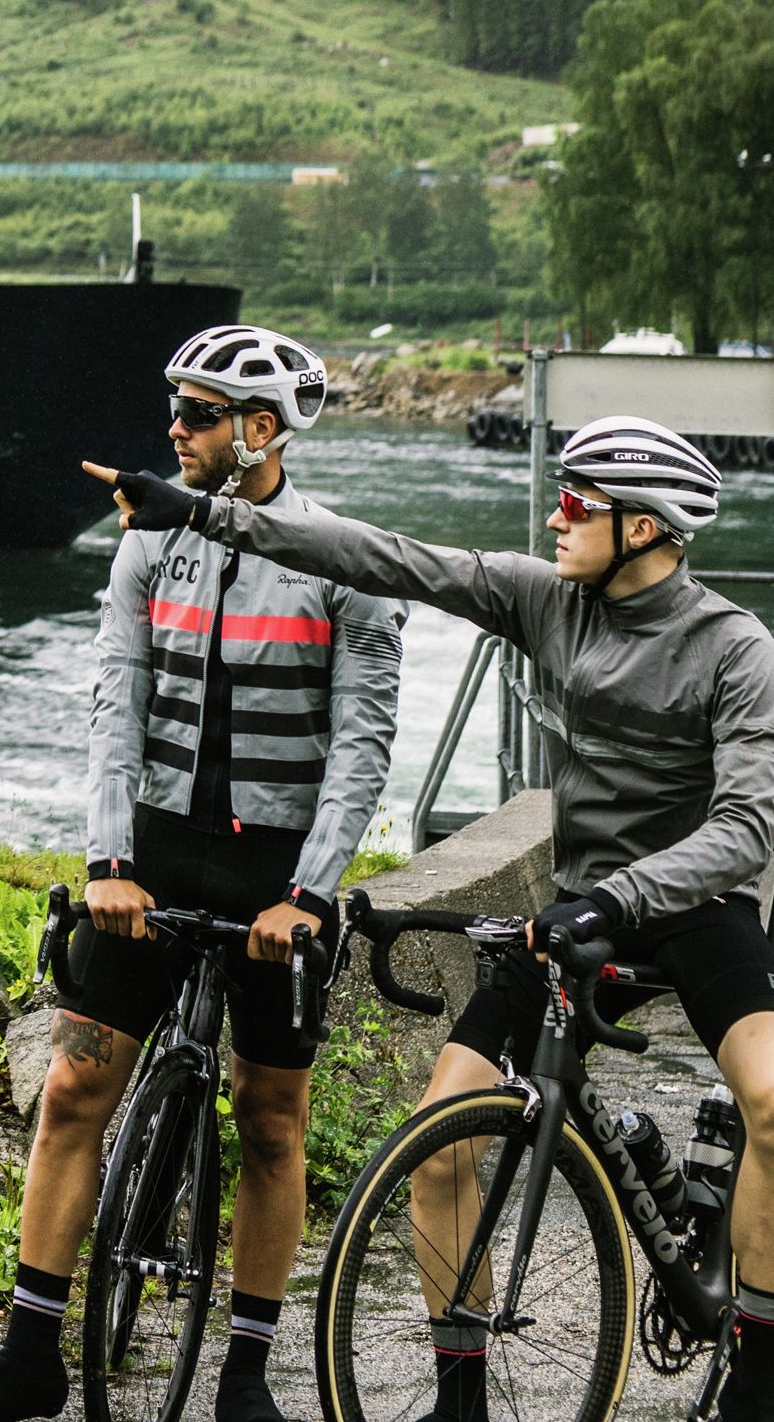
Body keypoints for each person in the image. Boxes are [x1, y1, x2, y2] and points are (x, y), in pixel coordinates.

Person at [94, 407, 774, 1422]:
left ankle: (757, 1374)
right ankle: (460, 1398)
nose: (552, 514)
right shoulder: (545, 598)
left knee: (770, 1099)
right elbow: (387, 556)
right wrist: (205, 513)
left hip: (691, 901)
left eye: (576, 502)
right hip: (574, 902)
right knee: (438, 1138)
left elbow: (745, 821)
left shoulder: (732, 645)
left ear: (643, 525)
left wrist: (618, 894)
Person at [0, 325, 403, 1422]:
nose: (171, 429)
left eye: (194, 414)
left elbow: (362, 742)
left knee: (270, 1117)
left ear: (258, 430)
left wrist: (312, 889)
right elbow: (114, 705)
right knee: (70, 1087)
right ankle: (27, 1353)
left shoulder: (344, 558)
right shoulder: (148, 545)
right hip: (149, 853)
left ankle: (244, 1372)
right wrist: (107, 859)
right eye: (174, 410)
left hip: (278, 871)